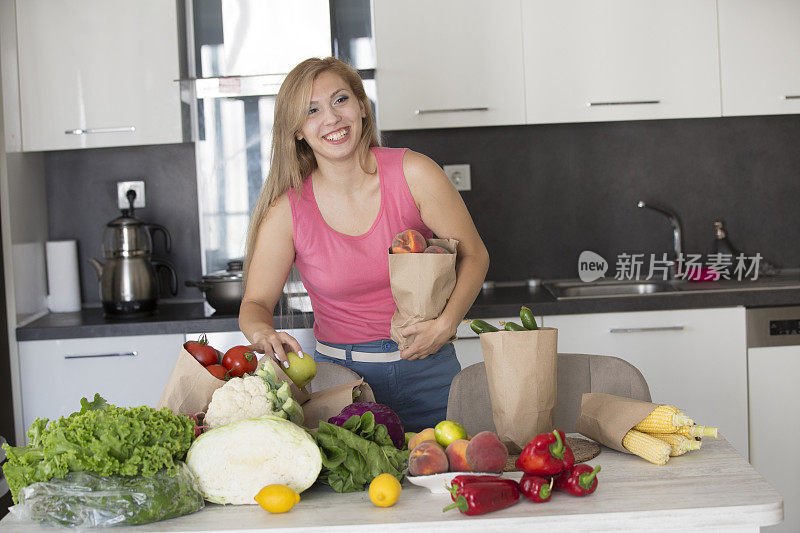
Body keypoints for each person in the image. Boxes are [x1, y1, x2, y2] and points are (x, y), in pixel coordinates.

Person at [239, 57, 489, 431]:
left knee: (443, 484)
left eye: (340, 100)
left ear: (361, 108)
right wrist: (262, 333)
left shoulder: (414, 172)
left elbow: (475, 255)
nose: (332, 118)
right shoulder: (287, 209)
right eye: (312, 110)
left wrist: (445, 324)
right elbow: (255, 303)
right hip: (341, 385)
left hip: (430, 373)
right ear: (297, 131)